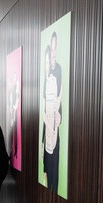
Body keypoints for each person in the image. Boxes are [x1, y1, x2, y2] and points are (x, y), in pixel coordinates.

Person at [41, 44, 61, 193]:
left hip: (54, 135)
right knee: (46, 172)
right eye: (45, 62)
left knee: (53, 174)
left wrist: (59, 117)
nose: (48, 65)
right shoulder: (44, 83)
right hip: (45, 135)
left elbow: (59, 104)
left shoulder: (55, 80)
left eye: (49, 62)